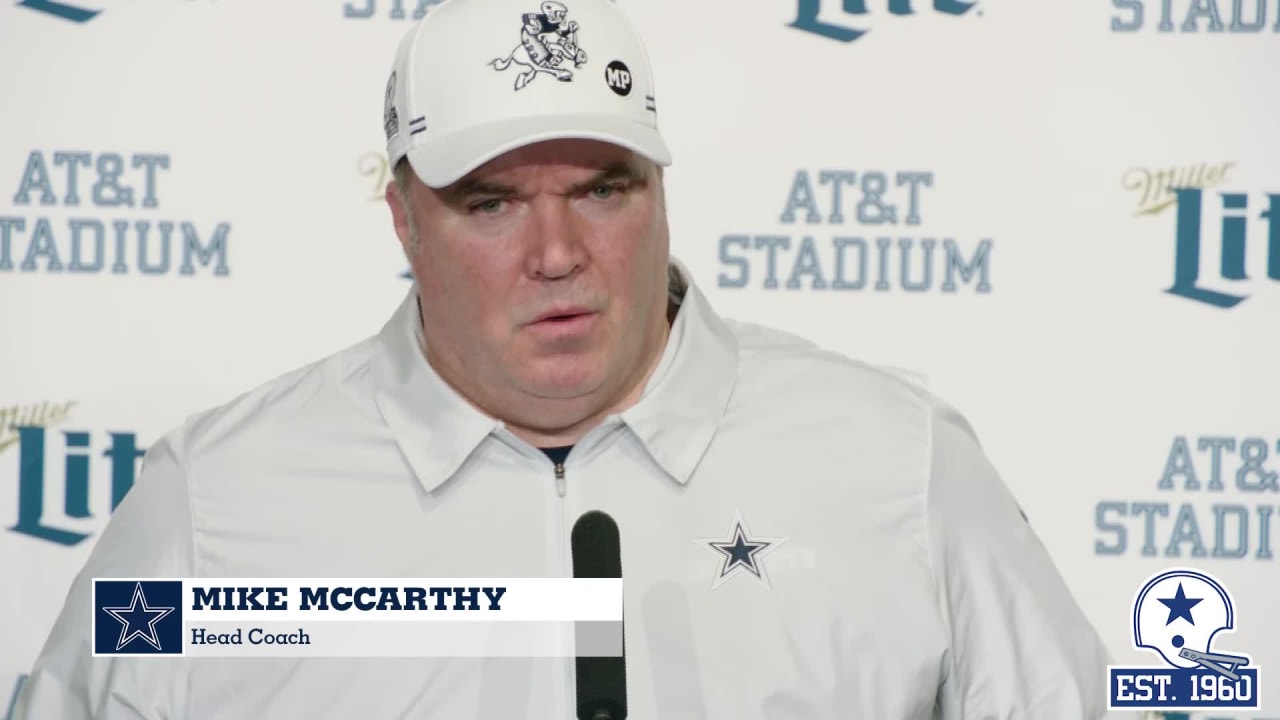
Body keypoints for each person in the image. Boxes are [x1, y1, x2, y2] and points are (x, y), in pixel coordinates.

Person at [15, 0, 1117, 717]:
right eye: (490, 203)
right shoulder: (210, 508)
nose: (556, 254)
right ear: (401, 218)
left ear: (661, 192)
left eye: (600, 189)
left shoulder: (897, 466)